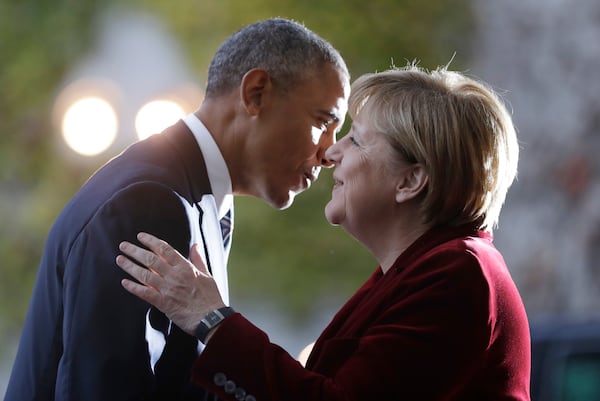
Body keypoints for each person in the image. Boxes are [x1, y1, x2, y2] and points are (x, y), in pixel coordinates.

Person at [115, 64, 531, 401]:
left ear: (411, 181)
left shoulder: (457, 275)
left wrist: (212, 319)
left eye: (357, 140)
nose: (332, 153)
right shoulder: (428, 270)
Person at [5, 18, 349, 401]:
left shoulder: (198, 197)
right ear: (256, 93)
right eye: (323, 122)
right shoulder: (149, 199)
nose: (330, 152)